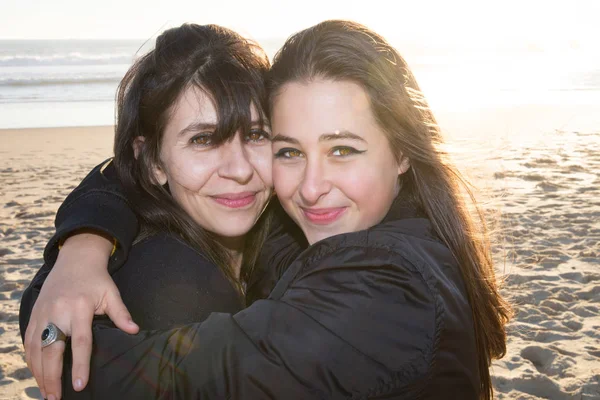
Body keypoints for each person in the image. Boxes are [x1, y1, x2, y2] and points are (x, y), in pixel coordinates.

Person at [21, 20, 511, 399]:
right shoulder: (306, 231)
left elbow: (167, 382)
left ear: (402, 152)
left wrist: (47, 309)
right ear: (152, 161)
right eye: (289, 150)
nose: (312, 187)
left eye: (343, 149)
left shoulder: (385, 285)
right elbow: (116, 175)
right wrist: (83, 243)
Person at [18, 23, 285, 400]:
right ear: (153, 161)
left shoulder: (290, 228)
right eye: (203, 140)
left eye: (257, 134)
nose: (240, 169)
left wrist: (84, 240)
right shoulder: (176, 290)